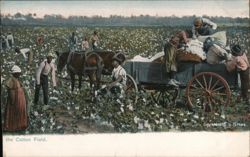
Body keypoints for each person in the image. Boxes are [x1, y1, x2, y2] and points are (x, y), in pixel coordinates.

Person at [3, 65, 28, 131]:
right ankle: (13, 126)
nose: (19, 74)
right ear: (15, 73)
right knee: (14, 112)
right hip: (16, 99)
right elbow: (11, 91)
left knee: (19, 111)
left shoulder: (16, 80)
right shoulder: (11, 80)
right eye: (18, 73)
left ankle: (19, 125)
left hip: (20, 99)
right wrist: (12, 100)